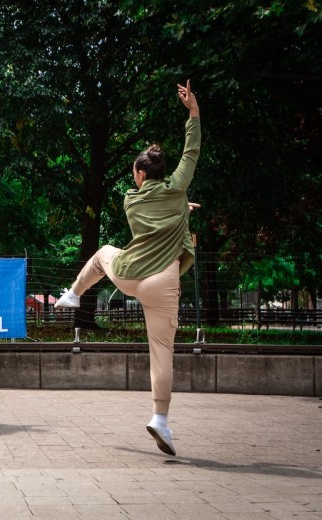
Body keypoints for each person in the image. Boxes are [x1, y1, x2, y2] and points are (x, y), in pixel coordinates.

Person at [55, 81, 201, 456]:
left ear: (139, 172)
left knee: (103, 251)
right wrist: (193, 113)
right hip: (165, 283)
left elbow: (153, 218)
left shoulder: (131, 199)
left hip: (132, 274)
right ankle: (161, 420)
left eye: (134, 171)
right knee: (162, 352)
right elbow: (191, 154)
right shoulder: (177, 189)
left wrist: (179, 210)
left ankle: (74, 293)